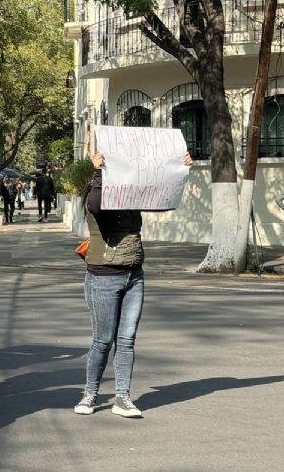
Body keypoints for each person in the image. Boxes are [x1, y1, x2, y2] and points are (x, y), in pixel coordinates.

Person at [74, 151, 192, 419]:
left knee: (126, 340)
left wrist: (182, 170)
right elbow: (94, 204)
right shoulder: (97, 190)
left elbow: (164, 197)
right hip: (103, 275)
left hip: (134, 274)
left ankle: (122, 397)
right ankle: (90, 394)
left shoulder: (133, 194)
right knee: (103, 340)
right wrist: (98, 172)